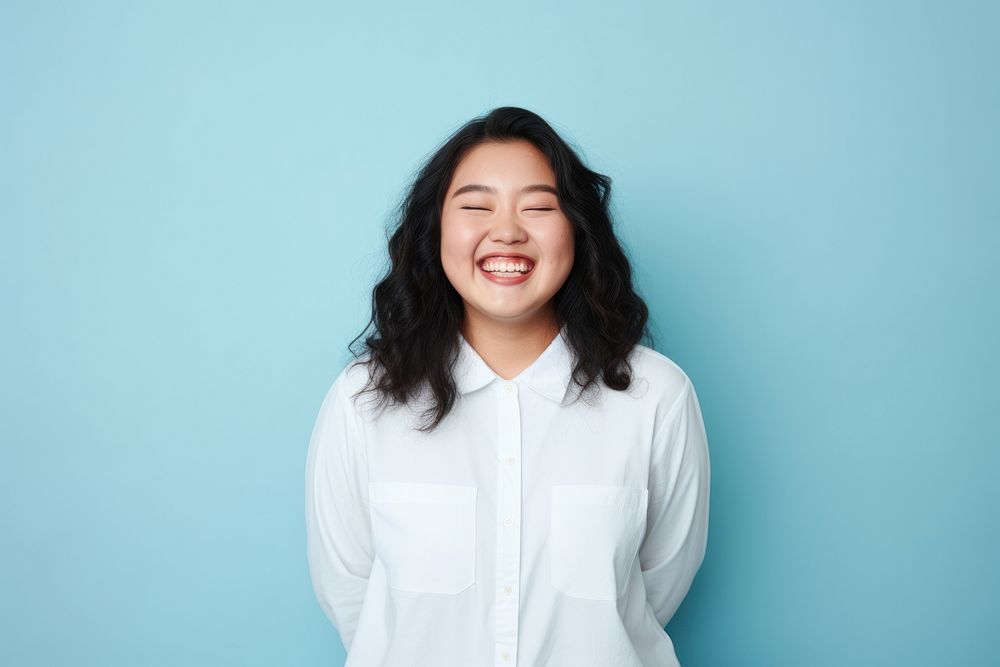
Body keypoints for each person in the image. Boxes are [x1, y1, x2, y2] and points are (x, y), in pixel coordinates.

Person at [304, 106, 711, 666]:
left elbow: (657, 584)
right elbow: (350, 589)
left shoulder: (655, 396)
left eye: (540, 207)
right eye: (476, 206)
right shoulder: (364, 401)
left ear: (577, 230)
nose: (508, 232)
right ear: (436, 229)